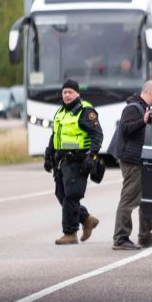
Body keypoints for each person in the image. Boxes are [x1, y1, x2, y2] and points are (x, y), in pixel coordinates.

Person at [44, 79, 103, 245]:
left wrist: (91, 156)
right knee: (61, 195)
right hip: (62, 160)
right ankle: (86, 219)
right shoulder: (61, 112)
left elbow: (97, 135)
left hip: (79, 160)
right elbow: (55, 136)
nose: (67, 95)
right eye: (65, 92)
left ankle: (70, 233)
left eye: (70, 92)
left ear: (77, 93)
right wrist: (48, 155)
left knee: (71, 196)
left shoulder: (85, 111)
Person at [111, 80, 152, 250]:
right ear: (150, 91)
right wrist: (142, 121)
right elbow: (125, 128)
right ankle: (120, 238)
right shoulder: (132, 108)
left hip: (143, 159)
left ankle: (145, 236)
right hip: (132, 160)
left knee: (146, 198)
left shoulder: (143, 108)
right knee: (130, 197)